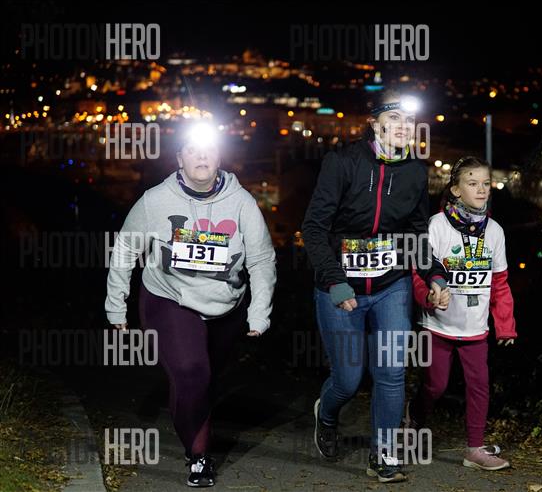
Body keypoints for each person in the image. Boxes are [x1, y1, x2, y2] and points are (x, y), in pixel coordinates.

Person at [104, 122, 276, 487]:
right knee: (191, 372)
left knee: (203, 381)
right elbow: (125, 252)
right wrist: (115, 305)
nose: (201, 157)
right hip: (169, 298)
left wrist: (259, 311)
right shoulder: (155, 200)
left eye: (209, 150)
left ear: (219, 158)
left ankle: (192, 425)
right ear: (179, 158)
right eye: (193, 151)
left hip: (225, 305)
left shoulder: (242, 202)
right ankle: (198, 456)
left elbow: (262, 259)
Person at [302, 91, 450, 483]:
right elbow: (313, 228)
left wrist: (434, 275)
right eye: (394, 118)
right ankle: (326, 415)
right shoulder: (342, 162)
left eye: (409, 120)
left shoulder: (416, 172)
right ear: (375, 124)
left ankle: (383, 455)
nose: (403, 126)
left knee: (391, 373)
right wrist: (334, 280)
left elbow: (416, 233)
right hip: (340, 289)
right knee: (348, 380)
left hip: (391, 285)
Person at [407, 156, 517, 471]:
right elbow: (418, 273)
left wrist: (505, 325)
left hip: (475, 329)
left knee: (479, 385)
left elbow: (500, 283)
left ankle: (474, 449)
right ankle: (414, 420)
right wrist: (429, 296)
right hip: (437, 326)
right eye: (472, 183)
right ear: (455, 189)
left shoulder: (495, 231)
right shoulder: (436, 225)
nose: (481, 189)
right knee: (435, 386)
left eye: (486, 183)